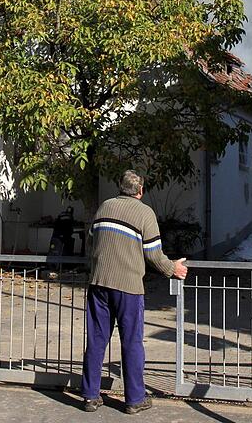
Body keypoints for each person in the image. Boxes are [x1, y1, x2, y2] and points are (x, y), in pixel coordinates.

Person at [81, 170, 188, 414]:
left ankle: (89, 396)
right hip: (128, 287)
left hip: (99, 283)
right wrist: (173, 269)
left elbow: (91, 240)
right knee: (131, 342)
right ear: (140, 190)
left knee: (96, 339)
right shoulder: (144, 213)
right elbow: (153, 253)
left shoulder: (104, 207)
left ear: (120, 187)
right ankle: (134, 399)